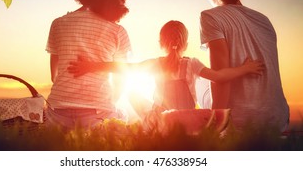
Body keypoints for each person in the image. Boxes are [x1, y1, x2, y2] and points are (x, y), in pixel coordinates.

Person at [69, 20, 264, 132]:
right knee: (204, 92)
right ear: (185, 44)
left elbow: (122, 67)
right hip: (189, 121)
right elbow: (220, 76)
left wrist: (91, 66)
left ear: (161, 42)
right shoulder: (191, 63)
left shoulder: (156, 63)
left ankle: (148, 121)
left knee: (132, 93)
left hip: (158, 120)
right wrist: (246, 69)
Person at [199, 0, 289, 132]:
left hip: (241, 120)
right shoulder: (264, 20)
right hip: (278, 118)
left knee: (198, 76)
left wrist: (216, 128)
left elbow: (220, 76)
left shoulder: (210, 16)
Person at [45, 0, 132, 131]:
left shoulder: (58, 23)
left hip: (57, 112)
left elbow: (53, 75)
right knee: (124, 117)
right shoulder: (118, 31)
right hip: (97, 114)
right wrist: (106, 102)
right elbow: (122, 76)